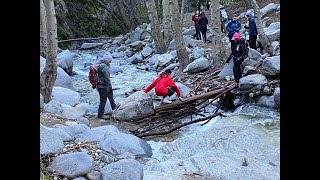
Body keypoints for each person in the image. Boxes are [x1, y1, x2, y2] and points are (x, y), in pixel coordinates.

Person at [95, 54, 117, 119]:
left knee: (109, 96)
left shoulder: (99, 64)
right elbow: (107, 79)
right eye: (110, 60)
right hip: (103, 86)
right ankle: (100, 115)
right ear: (107, 60)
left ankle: (114, 108)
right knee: (103, 100)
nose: (111, 62)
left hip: (98, 85)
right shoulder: (105, 67)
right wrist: (109, 87)